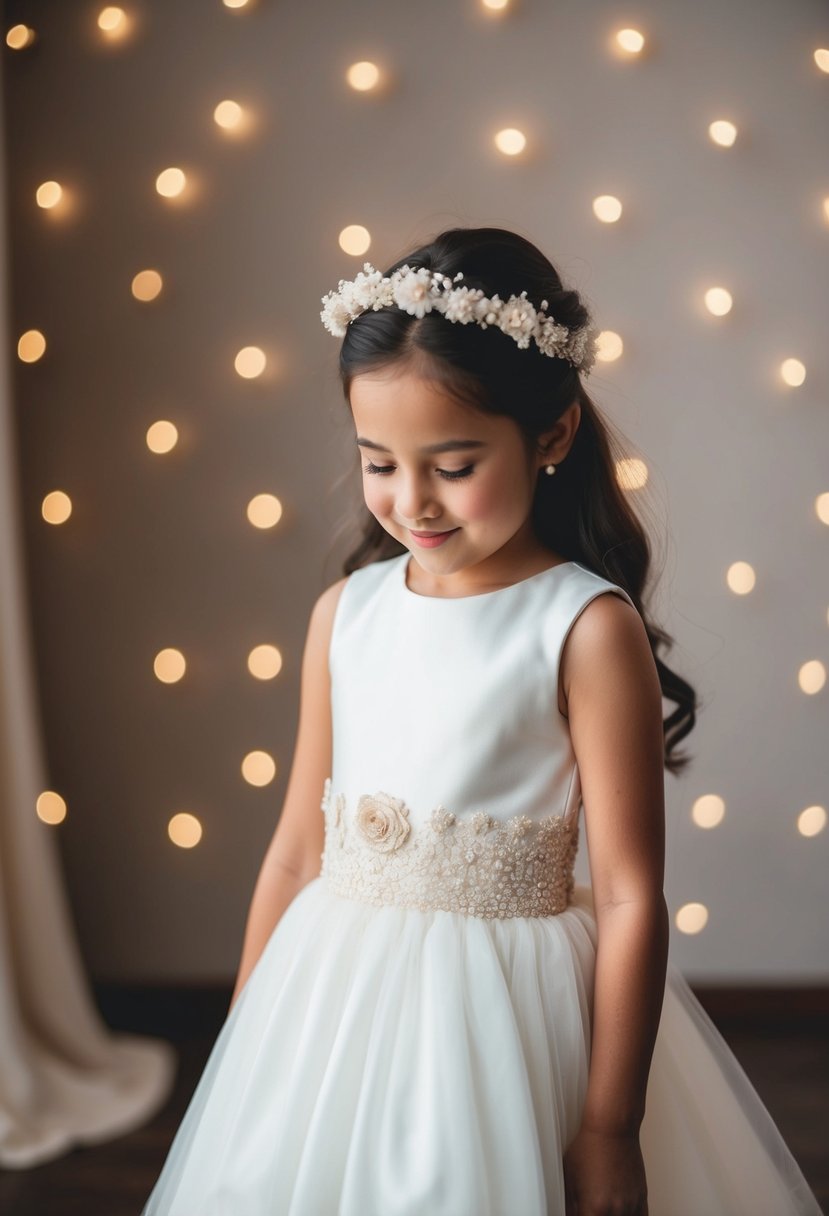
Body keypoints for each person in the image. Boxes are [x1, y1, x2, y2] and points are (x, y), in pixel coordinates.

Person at [141, 226, 822, 1215]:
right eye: (378, 461)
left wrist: (607, 1125)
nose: (409, 500)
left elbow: (631, 898)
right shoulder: (346, 614)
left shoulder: (582, 627)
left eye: (452, 465)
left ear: (549, 436)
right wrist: (249, 1042)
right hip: (331, 1003)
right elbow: (295, 850)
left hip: (501, 1019)